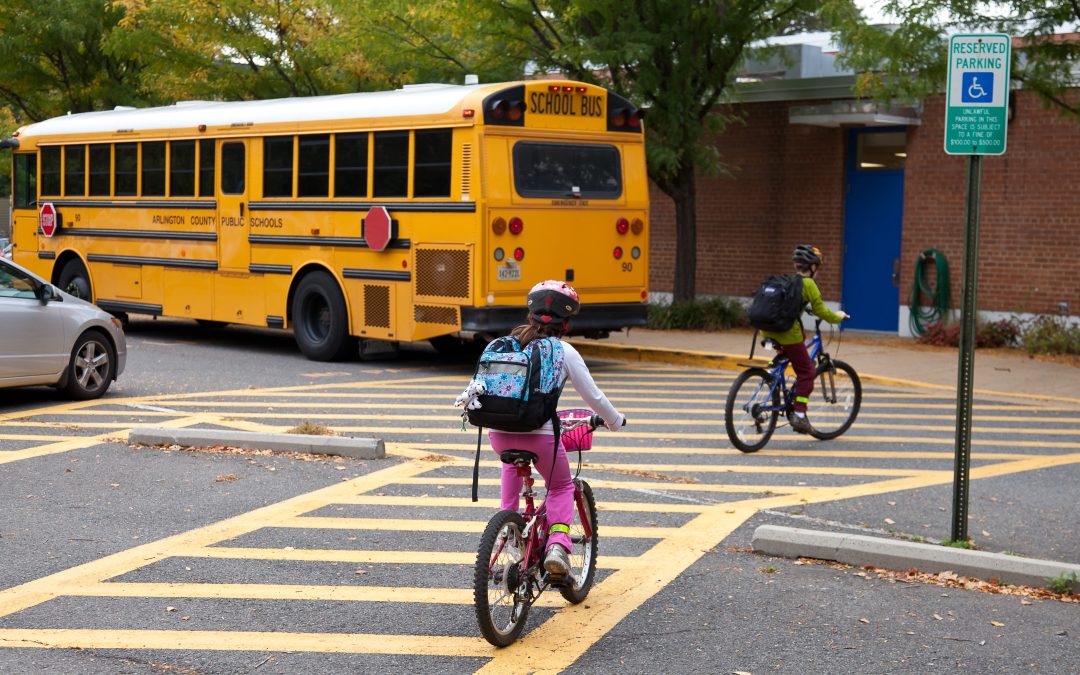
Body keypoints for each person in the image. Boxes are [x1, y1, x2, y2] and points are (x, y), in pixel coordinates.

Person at [489, 280, 624, 578]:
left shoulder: (507, 343)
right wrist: (614, 421)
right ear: (566, 324)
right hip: (540, 436)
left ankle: (507, 526)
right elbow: (594, 397)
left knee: (511, 464)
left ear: (530, 315)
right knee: (561, 486)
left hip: (498, 433)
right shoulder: (564, 351)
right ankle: (558, 546)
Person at [760, 245, 848, 435]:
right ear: (813, 267)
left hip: (766, 330)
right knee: (807, 371)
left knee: (795, 346)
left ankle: (773, 373)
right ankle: (799, 414)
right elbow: (821, 311)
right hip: (787, 334)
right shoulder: (808, 284)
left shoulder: (789, 281)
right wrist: (838, 317)